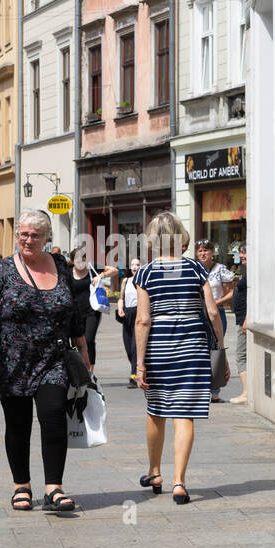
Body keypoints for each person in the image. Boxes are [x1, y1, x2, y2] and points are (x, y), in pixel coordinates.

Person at [0, 210, 89, 513]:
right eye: (23, 234)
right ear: (17, 237)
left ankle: (54, 488)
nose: (28, 239)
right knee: (18, 424)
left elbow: (73, 313)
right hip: (12, 360)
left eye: (35, 235)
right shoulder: (2, 271)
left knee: (53, 416)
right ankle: (21, 486)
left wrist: (84, 353)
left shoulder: (60, 267)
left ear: (45, 238)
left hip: (52, 357)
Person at [134, 212, 228, 505]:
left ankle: (154, 472)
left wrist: (139, 364)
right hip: (193, 350)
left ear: (153, 239)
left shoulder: (146, 273)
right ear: (181, 236)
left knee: (156, 410)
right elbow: (213, 312)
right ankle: (179, 482)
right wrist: (221, 349)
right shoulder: (196, 269)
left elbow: (142, 321)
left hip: (159, 350)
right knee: (184, 415)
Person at [196, 239, 234, 402]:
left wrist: (215, 303)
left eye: (206, 250)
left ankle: (215, 390)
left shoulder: (220, 270)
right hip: (198, 313)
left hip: (216, 312)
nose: (203, 253)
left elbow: (230, 293)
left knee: (216, 348)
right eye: (200, 251)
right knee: (199, 349)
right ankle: (200, 388)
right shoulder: (194, 269)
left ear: (212, 252)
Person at [116, 258, 142, 388]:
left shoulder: (143, 281)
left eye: (137, 265)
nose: (134, 267)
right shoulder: (126, 281)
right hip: (127, 314)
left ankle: (134, 376)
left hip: (139, 313)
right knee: (128, 346)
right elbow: (121, 298)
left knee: (135, 347)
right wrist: (120, 308)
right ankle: (139, 371)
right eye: (132, 265)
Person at [231, 243, 248, 404]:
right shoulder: (245, 270)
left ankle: (246, 392)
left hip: (245, 319)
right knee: (243, 355)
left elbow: (254, 296)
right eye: (241, 253)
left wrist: (247, 319)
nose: (242, 256)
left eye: (244, 253)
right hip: (241, 318)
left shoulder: (251, 272)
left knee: (241, 355)